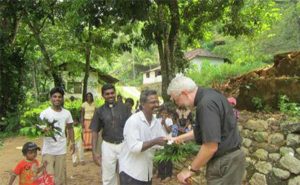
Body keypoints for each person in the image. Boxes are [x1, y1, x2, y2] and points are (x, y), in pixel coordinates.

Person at [167, 74, 245, 185]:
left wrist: (190, 170)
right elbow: (207, 130)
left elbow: (210, 146)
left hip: (224, 162)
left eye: (176, 100)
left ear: (184, 93)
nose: (178, 104)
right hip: (231, 159)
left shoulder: (205, 105)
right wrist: (179, 138)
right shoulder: (211, 94)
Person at [119, 89, 167, 185]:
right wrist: (155, 141)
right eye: (152, 102)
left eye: (157, 101)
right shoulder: (133, 121)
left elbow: (162, 141)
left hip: (146, 173)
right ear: (142, 104)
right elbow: (134, 147)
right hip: (131, 173)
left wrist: (175, 142)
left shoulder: (156, 122)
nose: (156, 105)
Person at [90, 84, 131, 185]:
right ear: (103, 95)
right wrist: (94, 152)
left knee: (126, 174)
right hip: (108, 146)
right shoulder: (99, 110)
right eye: (107, 94)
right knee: (108, 177)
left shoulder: (125, 108)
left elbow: (132, 126)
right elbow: (94, 131)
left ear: (115, 93)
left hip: (124, 145)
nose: (110, 95)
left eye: (112, 93)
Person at [39, 87, 75, 185]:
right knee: (48, 177)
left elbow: (70, 128)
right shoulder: (44, 113)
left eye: (59, 97)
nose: (57, 99)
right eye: (54, 96)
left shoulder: (67, 113)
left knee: (60, 178)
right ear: (50, 98)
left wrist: (73, 142)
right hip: (48, 150)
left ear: (62, 98)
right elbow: (38, 130)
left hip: (61, 150)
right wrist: (43, 130)